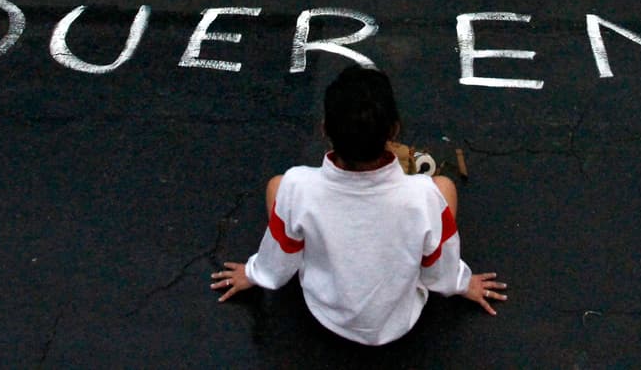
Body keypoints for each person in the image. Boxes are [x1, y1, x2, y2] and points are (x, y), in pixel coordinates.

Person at [210, 64, 507, 346]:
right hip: (400, 320)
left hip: (326, 313)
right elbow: (438, 271)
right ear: (394, 130)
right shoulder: (423, 196)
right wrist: (462, 283)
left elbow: (277, 264)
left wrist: (254, 274)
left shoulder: (297, 186)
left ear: (325, 129)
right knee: (445, 187)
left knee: (276, 185)